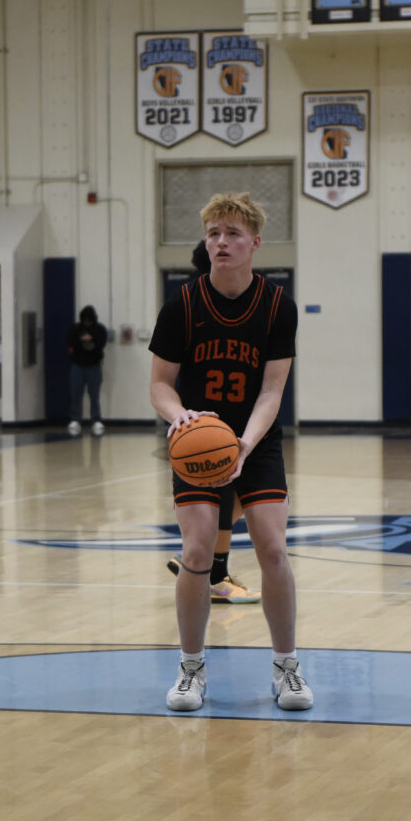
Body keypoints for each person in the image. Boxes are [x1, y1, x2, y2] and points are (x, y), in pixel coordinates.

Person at [149, 191, 313, 712]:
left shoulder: (277, 306)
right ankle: (191, 669)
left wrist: (245, 443)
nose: (221, 242)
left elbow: (272, 389)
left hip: (255, 439)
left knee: (272, 548)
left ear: (255, 244)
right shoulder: (182, 305)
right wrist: (182, 418)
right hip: (198, 442)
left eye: (232, 234)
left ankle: (287, 668)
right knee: (197, 551)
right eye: (214, 233)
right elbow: (159, 385)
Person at [166, 239, 260, 605]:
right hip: (205, 425)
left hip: (228, 424)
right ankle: (214, 574)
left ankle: (205, 565)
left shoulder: (240, 299)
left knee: (236, 498)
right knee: (225, 496)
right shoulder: (190, 305)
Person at [67, 305, 108, 436]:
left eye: (89, 320)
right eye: (85, 321)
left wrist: (91, 340)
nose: (87, 323)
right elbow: (70, 342)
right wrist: (81, 341)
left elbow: (100, 344)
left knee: (94, 394)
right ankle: (75, 419)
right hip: (78, 365)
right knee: (76, 393)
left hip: (94, 366)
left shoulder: (99, 329)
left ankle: (95, 419)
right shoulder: (76, 329)